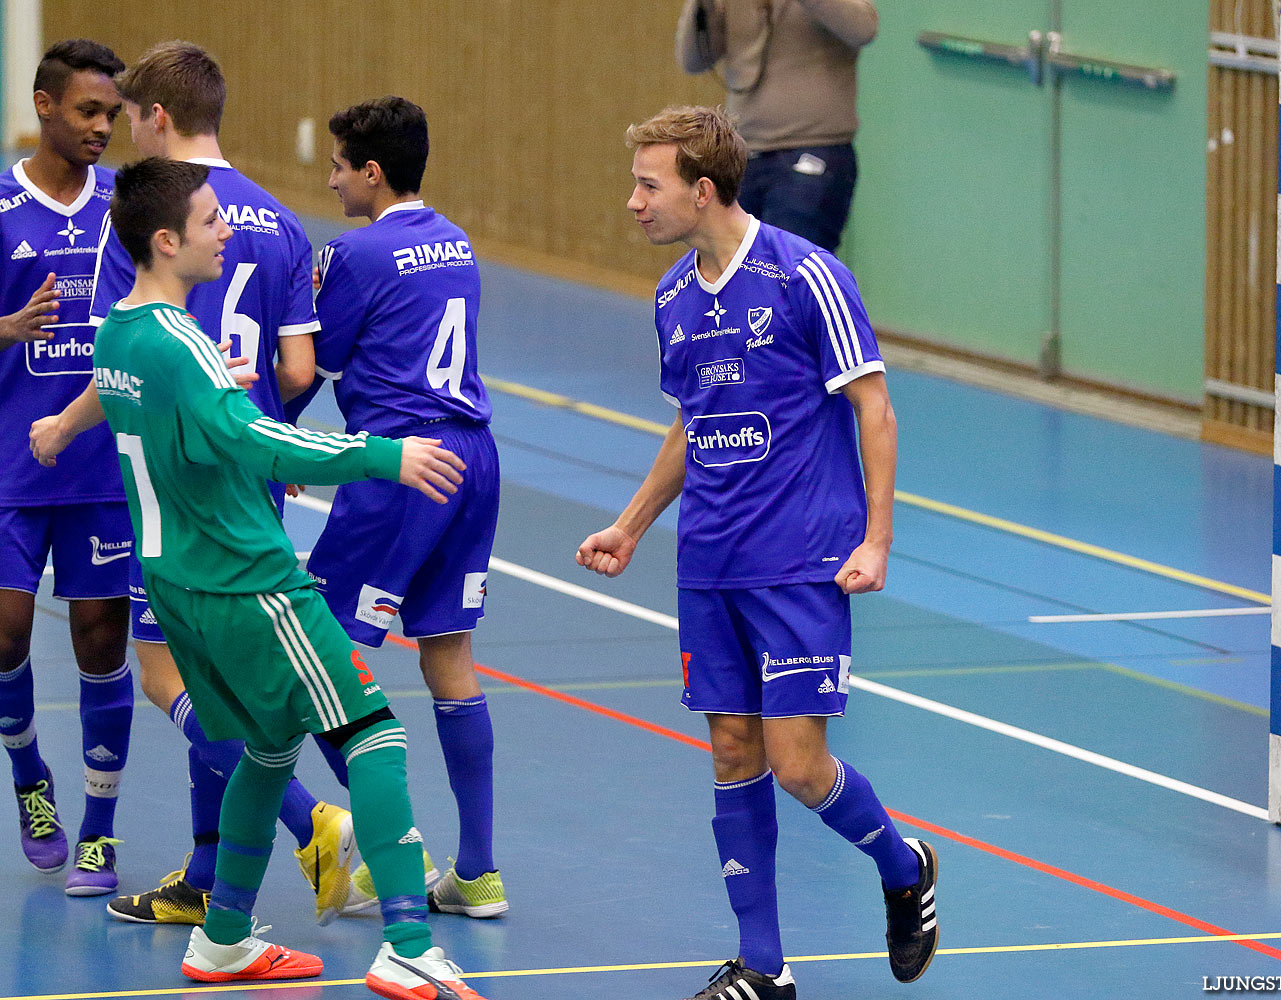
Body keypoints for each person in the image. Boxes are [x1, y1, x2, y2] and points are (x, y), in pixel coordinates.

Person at [90, 154, 488, 1000]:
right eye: (207, 221)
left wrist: (214, 392)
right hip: (249, 582)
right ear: (166, 242)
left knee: (269, 750)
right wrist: (387, 453)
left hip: (178, 588)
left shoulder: (120, 334)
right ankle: (409, 944)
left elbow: (185, 420)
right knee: (373, 736)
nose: (224, 228)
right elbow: (256, 442)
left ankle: (224, 938)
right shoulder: (177, 342)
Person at [575, 105, 936, 1000]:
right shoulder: (669, 298)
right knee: (732, 752)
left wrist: (876, 539)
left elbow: (874, 410)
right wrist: (631, 524)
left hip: (799, 562)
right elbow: (689, 427)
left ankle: (903, 866)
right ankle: (764, 968)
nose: (633, 202)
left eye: (647, 185)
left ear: (703, 190)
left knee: (799, 764)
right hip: (709, 563)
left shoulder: (808, 277)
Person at [29, 40, 360, 923]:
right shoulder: (284, 223)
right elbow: (298, 369)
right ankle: (209, 874)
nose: (124, 131)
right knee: (234, 673)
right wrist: (259, 434)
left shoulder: (140, 219)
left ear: (158, 118)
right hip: (252, 476)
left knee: (169, 674)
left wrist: (62, 426)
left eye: (131, 115)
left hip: (171, 487)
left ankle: (310, 820)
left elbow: (123, 349)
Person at [288, 95, 507, 919]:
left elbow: (311, 363)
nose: (332, 179)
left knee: (312, 657)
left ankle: (392, 849)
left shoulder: (357, 252)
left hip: (400, 467)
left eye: (340, 166)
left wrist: (284, 443)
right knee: (448, 657)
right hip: (474, 461)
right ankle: (478, 871)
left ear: (371, 172)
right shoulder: (455, 240)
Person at [0, 38, 133, 896]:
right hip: (12, 468)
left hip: (102, 469)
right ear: (45, 105)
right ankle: (29, 780)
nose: (101, 128)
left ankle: (99, 827)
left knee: (100, 645)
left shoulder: (126, 204)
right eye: (88, 111)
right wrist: (7, 331)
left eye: (113, 115)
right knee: (6, 634)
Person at [674, 0, 876, 254]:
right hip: (741, 153)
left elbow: (864, 28)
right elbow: (694, 61)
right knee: (733, 276)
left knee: (788, 274)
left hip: (814, 150)